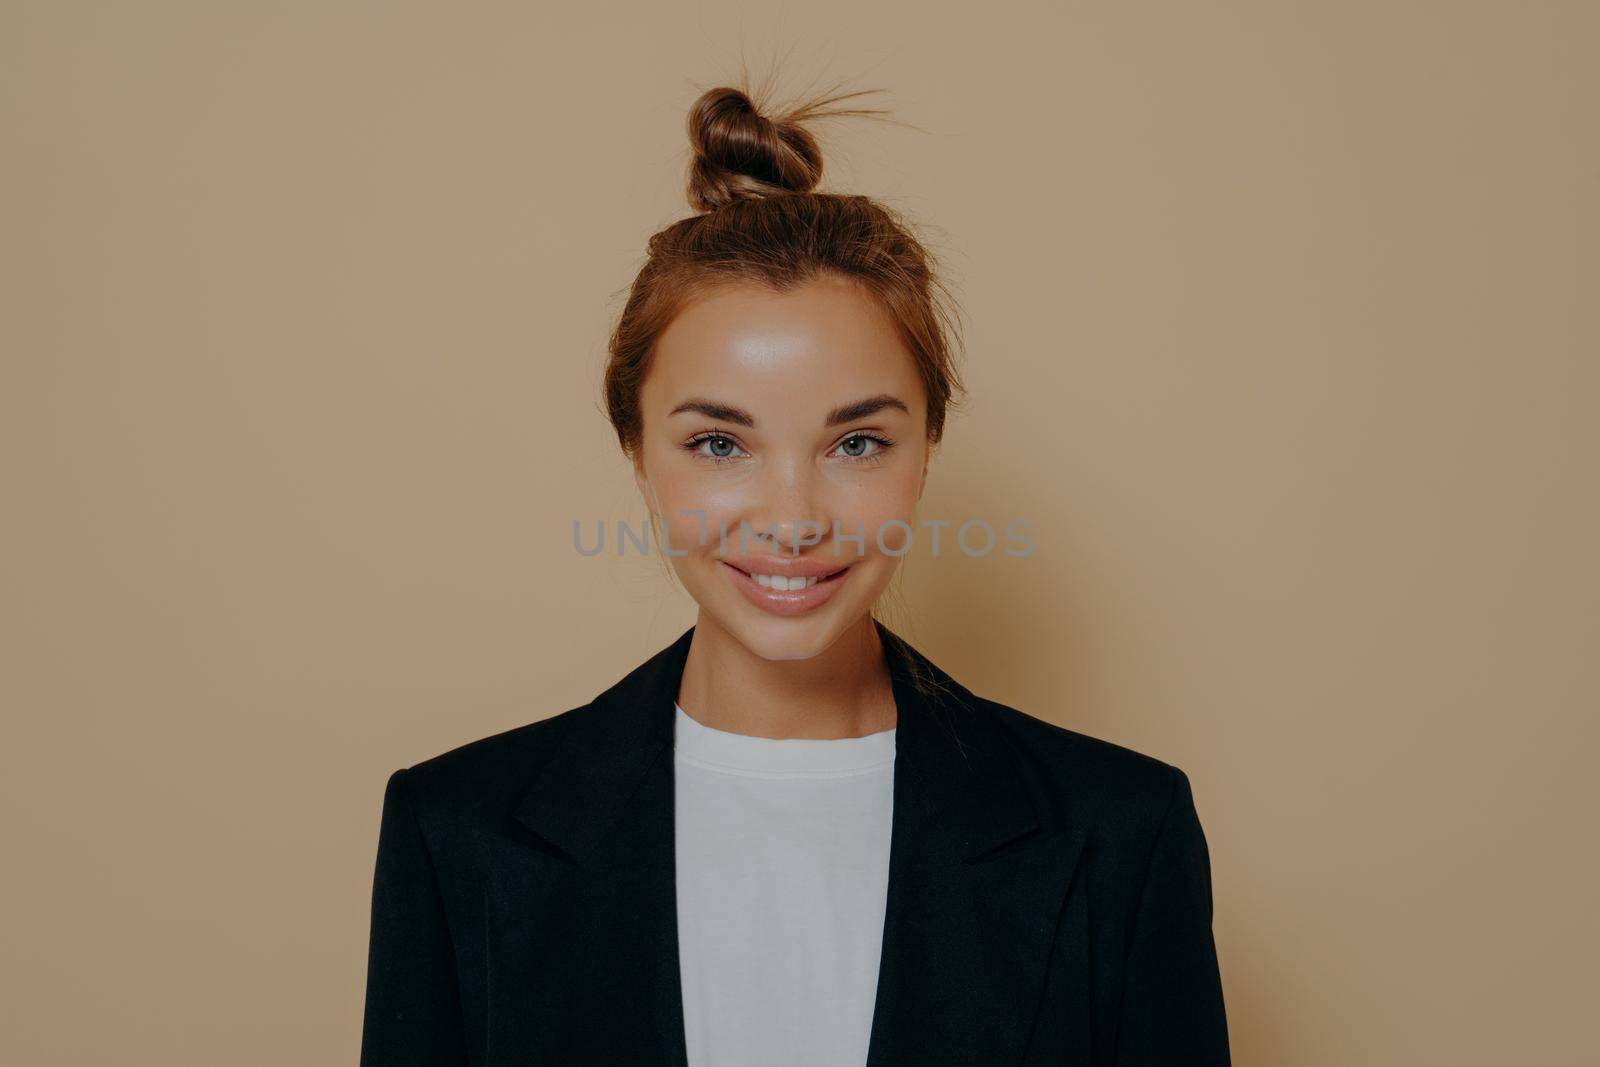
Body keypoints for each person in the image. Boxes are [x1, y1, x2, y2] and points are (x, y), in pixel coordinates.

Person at [360, 82, 1230, 1067]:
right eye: (718, 443)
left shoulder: (1122, 831)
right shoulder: (455, 829)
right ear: (637, 451)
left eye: (856, 441)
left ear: (927, 447)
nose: (791, 519)